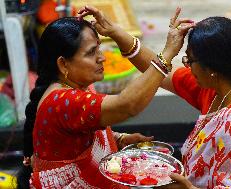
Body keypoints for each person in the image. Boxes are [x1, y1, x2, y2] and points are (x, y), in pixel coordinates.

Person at [78, 6, 231, 189]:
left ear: (210, 68)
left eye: (189, 60)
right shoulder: (216, 88)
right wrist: (116, 33)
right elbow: (161, 72)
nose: (186, 66)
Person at [16, 11, 192, 188]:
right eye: (91, 52)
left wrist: (119, 139)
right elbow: (127, 105)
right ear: (63, 64)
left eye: (98, 48)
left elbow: (79, 138)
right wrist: (167, 54)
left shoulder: (81, 86)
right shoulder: (62, 101)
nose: (102, 57)